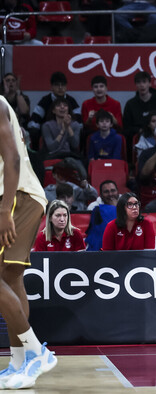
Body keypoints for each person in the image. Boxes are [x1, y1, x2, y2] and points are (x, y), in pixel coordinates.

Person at [0, 91, 57, 389]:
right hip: (17, 196)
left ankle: (37, 351)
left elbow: (11, 158)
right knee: (10, 279)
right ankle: (20, 361)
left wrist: (3, 210)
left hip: (16, 197)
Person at [28, 72, 81, 148]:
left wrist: (68, 127)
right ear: (51, 87)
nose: (60, 88)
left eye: (62, 85)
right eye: (57, 85)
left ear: (66, 87)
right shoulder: (44, 101)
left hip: (68, 129)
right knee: (34, 131)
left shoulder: (72, 101)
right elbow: (34, 121)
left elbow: (78, 121)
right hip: (49, 130)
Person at [122, 71, 156, 143]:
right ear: (136, 85)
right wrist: (140, 130)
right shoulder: (130, 104)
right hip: (139, 137)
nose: (142, 85)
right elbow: (126, 128)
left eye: (144, 82)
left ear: (150, 84)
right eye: (139, 82)